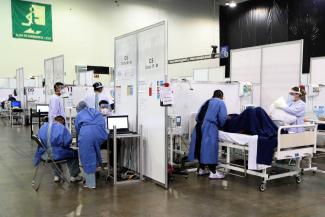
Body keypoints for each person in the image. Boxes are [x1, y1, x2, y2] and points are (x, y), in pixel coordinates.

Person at [188, 90, 228, 179]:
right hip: (209, 127)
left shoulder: (206, 101)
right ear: (221, 96)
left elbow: (198, 115)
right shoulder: (221, 102)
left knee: (200, 148)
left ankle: (201, 169)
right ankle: (213, 172)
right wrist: (221, 126)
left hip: (198, 126)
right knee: (210, 149)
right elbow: (223, 117)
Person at [34, 116, 82, 182]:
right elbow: (67, 141)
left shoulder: (44, 126)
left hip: (44, 154)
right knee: (73, 153)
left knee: (51, 154)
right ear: (62, 122)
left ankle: (56, 175)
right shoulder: (62, 128)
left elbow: (39, 138)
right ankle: (74, 176)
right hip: (56, 154)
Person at [75, 101, 108, 189]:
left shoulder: (79, 115)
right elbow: (103, 123)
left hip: (87, 134)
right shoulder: (96, 111)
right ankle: (97, 167)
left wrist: (80, 137)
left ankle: (90, 184)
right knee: (95, 150)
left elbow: (77, 129)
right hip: (101, 134)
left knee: (87, 157)